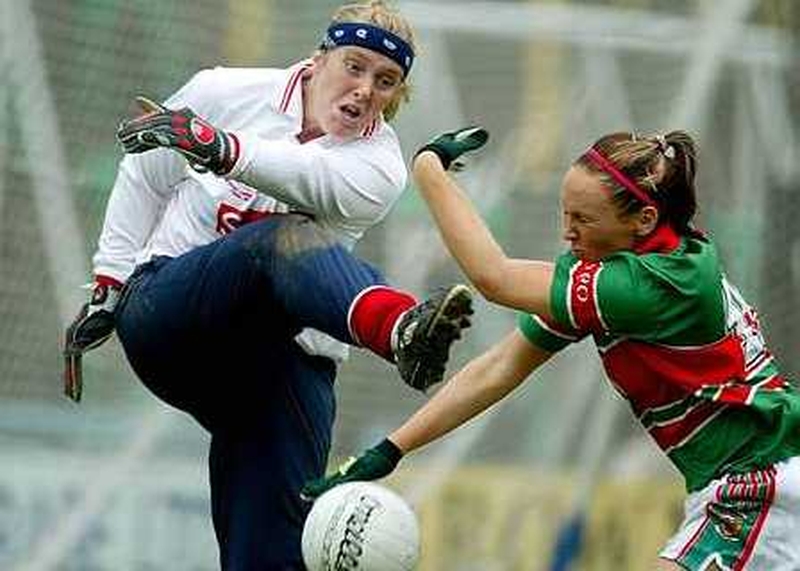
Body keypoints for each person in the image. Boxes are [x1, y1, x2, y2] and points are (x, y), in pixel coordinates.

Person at [61, 2, 474, 569]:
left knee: (273, 553)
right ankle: (396, 325)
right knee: (272, 241)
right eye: (353, 66)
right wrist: (108, 282)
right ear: (317, 57)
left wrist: (219, 147)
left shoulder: (378, 167)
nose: (364, 90)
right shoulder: (221, 90)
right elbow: (145, 171)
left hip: (277, 366)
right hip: (171, 316)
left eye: (386, 81)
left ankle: (406, 332)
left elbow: (301, 174)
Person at [302, 126, 800, 570]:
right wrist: (390, 450)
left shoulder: (646, 287)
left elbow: (492, 276)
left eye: (583, 218)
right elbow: (501, 366)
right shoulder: (636, 269)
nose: (567, 231)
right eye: (565, 213)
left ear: (644, 219)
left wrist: (428, 168)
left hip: (762, 488)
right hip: (756, 482)